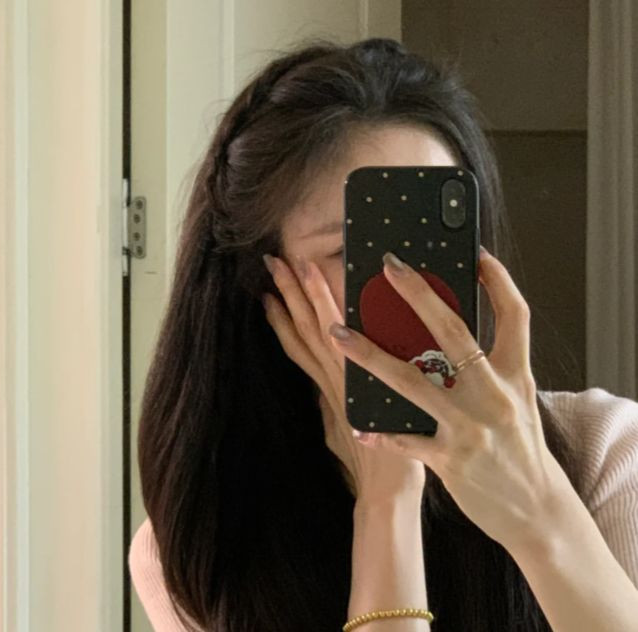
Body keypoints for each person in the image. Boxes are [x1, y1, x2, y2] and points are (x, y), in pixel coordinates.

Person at [128, 37, 638, 631]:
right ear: (266, 286)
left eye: (436, 245)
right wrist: (387, 501)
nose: (411, 287)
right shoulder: (196, 547)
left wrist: (538, 511)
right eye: (353, 250)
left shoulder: (607, 452)